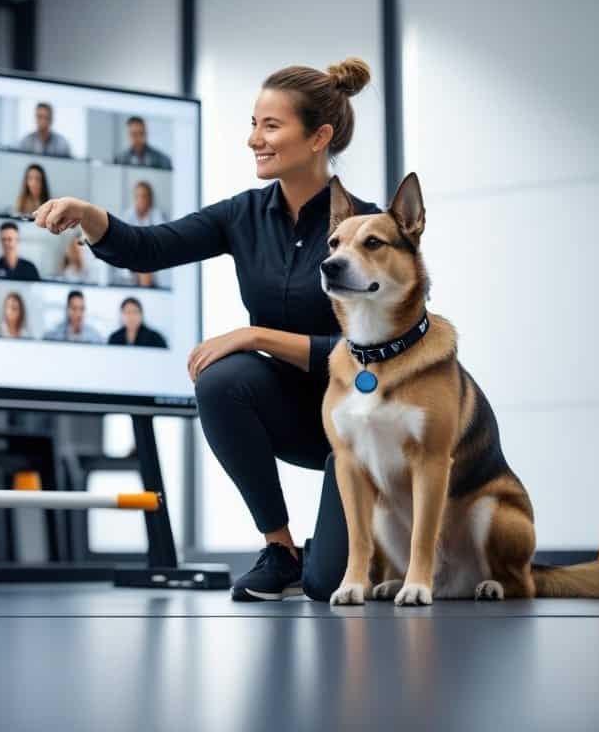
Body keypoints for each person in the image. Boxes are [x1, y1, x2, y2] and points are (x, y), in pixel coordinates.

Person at [35, 58, 380, 603]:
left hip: (360, 429)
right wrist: (87, 213)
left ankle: (340, 554)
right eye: (252, 123)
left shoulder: (369, 229)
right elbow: (149, 246)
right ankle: (281, 549)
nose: (254, 140)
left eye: (271, 126)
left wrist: (257, 335)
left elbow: (376, 353)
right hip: (294, 415)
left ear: (319, 137)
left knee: (328, 585)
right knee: (221, 378)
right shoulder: (242, 215)